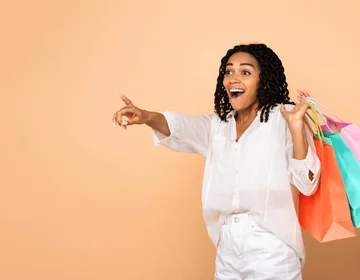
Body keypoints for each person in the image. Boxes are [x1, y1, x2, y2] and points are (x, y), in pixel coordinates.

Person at [111, 43, 322, 280]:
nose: (233, 78)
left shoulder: (284, 118)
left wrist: (296, 128)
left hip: (272, 245)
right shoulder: (218, 126)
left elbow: (307, 183)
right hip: (227, 247)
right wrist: (146, 117)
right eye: (228, 71)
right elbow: (181, 126)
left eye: (245, 72)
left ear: (263, 80)